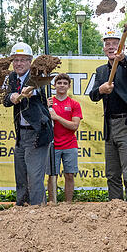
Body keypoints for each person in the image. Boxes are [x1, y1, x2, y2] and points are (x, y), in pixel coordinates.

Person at [89, 30, 127, 204]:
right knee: (112, 174)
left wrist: (122, 59)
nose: (111, 47)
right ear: (104, 48)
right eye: (108, 44)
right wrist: (101, 90)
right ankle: (116, 210)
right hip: (110, 125)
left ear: (122, 47)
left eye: (115, 43)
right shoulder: (100, 71)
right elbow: (93, 95)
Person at [3, 42, 51, 206]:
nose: (19, 63)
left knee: (34, 177)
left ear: (30, 62)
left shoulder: (37, 75)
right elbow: (5, 99)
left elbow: (38, 88)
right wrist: (12, 97)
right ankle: (22, 210)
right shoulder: (11, 78)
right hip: (20, 134)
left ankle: (37, 211)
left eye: (23, 60)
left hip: (37, 132)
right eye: (16, 60)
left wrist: (30, 90)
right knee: (21, 175)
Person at [49, 73, 83, 202]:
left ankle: (68, 204)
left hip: (70, 145)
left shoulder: (74, 104)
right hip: (53, 144)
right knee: (53, 175)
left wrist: (57, 117)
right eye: (59, 83)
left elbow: (74, 125)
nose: (62, 86)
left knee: (69, 175)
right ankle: (53, 203)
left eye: (64, 83)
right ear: (54, 85)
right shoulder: (49, 102)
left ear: (69, 86)